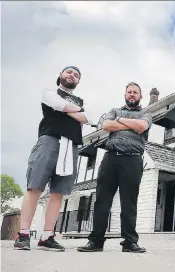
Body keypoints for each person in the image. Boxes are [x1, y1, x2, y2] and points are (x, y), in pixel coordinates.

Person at [14, 66, 94, 251]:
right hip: (49, 140)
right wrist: (76, 112)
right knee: (34, 186)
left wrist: (70, 110)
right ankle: (24, 234)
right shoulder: (49, 92)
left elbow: (88, 118)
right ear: (60, 75)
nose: (72, 75)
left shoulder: (82, 100)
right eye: (69, 72)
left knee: (58, 192)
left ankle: (46, 237)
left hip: (71, 146)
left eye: (76, 75)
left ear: (78, 81)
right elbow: (58, 104)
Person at [77, 82, 152, 253]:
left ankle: (129, 243)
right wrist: (130, 124)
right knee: (102, 201)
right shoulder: (114, 110)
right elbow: (106, 125)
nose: (132, 94)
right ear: (125, 95)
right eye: (129, 92)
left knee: (129, 203)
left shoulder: (145, 113)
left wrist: (119, 121)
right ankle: (96, 241)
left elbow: (142, 127)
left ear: (140, 96)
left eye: (135, 92)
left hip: (133, 160)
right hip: (110, 158)